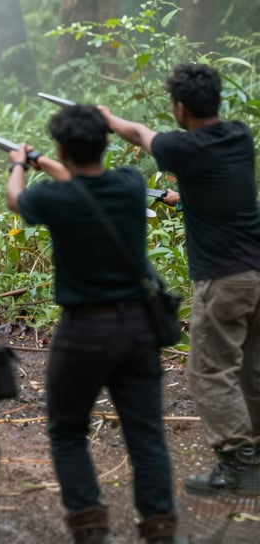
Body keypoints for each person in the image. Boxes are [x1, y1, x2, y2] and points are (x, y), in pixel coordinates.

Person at [6, 106, 177, 544]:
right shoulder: (129, 184)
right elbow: (86, 184)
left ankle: (89, 525)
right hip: (138, 330)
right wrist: (45, 161)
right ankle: (160, 528)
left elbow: (16, 200)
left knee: (67, 431)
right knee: (147, 436)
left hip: (82, 332)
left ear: (62, 148)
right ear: (106, 143)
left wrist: (20, 165)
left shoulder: (52, 200)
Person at [99, 63, 260, 497]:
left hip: (223, 279)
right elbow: (218, 182)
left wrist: (110, 120)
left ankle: (239, 464)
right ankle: (256, 455)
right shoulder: (239, 136)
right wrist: (181, 196)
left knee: (210, 371)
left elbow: (139, 134)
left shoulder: (181, 147)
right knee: (251, 367)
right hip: (256, 273)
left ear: (181, 107)